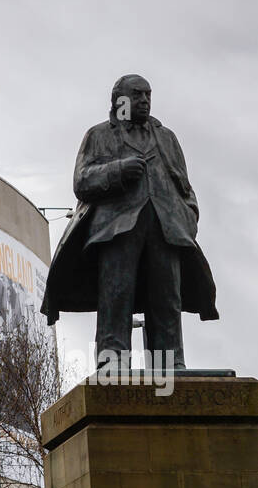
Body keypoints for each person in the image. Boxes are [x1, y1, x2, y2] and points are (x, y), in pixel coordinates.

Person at [41, 74, 218, 372]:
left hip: (166, 227)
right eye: (137, 95)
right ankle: (113, 360)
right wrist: (118, 171)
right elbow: (81, 181)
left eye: (148, 95)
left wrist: (189, 217)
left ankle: (171, 361)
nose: (145, 101)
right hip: (117, 229)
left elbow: (184, 186)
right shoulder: (99, 135)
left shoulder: (167, 138)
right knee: (116, 293)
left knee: (167, 296)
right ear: (119, 100)